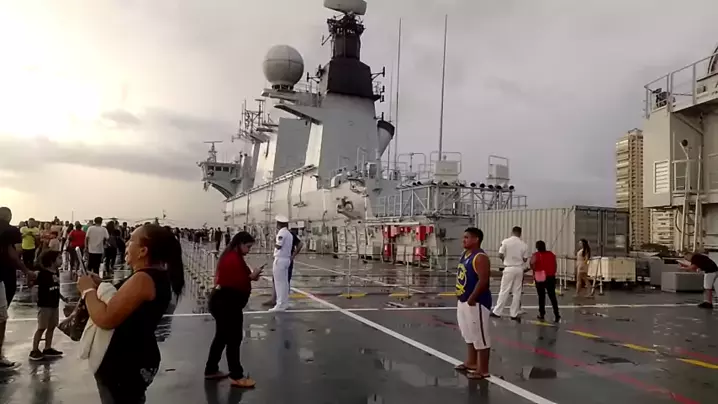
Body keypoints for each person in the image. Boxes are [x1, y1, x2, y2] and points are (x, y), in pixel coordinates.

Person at [77, 224, 184, 403]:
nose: (126, 243)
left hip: (124, 363)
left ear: (143, 251)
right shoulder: (150, 276)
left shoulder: (143, 279)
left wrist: (87, 291)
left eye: (131, 240)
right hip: (133, 359)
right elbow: (124, 301)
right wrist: (100, 284)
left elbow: (106, 318)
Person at [205, 232, 264, 387]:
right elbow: (238, 281)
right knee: (234, 338)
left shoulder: (233, 256)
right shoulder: (232, 258)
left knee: (222, 337)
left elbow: (240, 278)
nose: (249, 250)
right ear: (240, 244)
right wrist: (251, 277)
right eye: (248, 246)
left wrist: (252, 276)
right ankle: (236, 375)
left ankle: (211, 369)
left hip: (224, 301)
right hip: (226, 303)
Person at [0, 207, 36, 369]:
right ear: (9, 216)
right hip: (3, 276)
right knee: (1, 317)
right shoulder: (9, 230)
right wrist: (26, 271)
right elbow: (13, 253)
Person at [454, 227, 492, 379]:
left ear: (476, 239)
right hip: (463, 300)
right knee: (468, 333)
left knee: (480, 336)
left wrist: (472, 297)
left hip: (476, 302)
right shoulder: (465, 255)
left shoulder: (480, 257)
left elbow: (483, 280)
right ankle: (471, 362)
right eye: (463, 237)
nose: (464, 240)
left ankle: (483, 369)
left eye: (467, 237)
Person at [29, 250, 67, 361]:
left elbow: (56, 287)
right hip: (45, 305)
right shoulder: (42, 274)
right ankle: (34, 350)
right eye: (59, 258)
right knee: (41, 327)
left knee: (52, 327)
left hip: (54, 304)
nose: (61, 260)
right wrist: (35, 295)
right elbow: (34, 286)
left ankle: (47, 347)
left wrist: (62, 297)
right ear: (51, 261)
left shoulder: (56, 272)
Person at [491, 226, 529, 320]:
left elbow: (500, 254)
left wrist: (505, 260)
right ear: (520, 233)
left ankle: (497, 311)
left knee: (504, 290)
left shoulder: (505, 242)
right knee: (517, 292)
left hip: (509, 268)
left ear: (512, 232)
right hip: (519, 269)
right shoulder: (524, 245)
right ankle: (514, 313)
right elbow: (525, 259)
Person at [262, 227, 303, 307]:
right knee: (277, 279)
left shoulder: (287, 234)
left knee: (283, 281)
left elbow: (300, 244)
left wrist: (293, 255)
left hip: (284, 259)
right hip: (285, 259)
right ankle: (276, 299)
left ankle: (281, 301)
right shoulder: (288, 234)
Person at [531, 240, 560, 322]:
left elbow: (532, 265)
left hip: (540, 277)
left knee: (541, 296)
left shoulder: (535, 255)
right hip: (550, 277)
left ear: (537, 247)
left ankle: (542, 313)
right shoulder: (551, 254)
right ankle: (556, 313)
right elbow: (555, 265)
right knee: (552, 296)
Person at [270, 216, 293, 312]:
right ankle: (284, 303)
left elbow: (279, 246)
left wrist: (273, 241)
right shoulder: (289, 234)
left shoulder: (282, 233)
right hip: (286, 259)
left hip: (280, 259)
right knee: (284, 283)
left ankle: (279, 304)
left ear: (279, 224)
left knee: (279, 283)